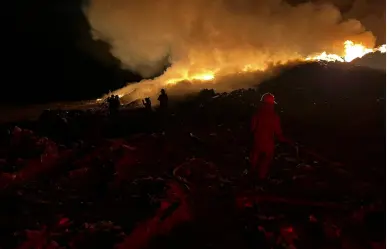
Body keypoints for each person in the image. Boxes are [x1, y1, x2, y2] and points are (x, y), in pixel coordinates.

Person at [250, 93, 291, 180]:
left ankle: (251, 178)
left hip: (256, 142)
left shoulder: (256, 115)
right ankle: (261, 180)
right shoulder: (275, 117)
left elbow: (252, 129)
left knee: (254, 161)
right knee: (265, 162)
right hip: (268, 144)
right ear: (272, 105)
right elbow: (278, 133)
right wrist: (286, 140)